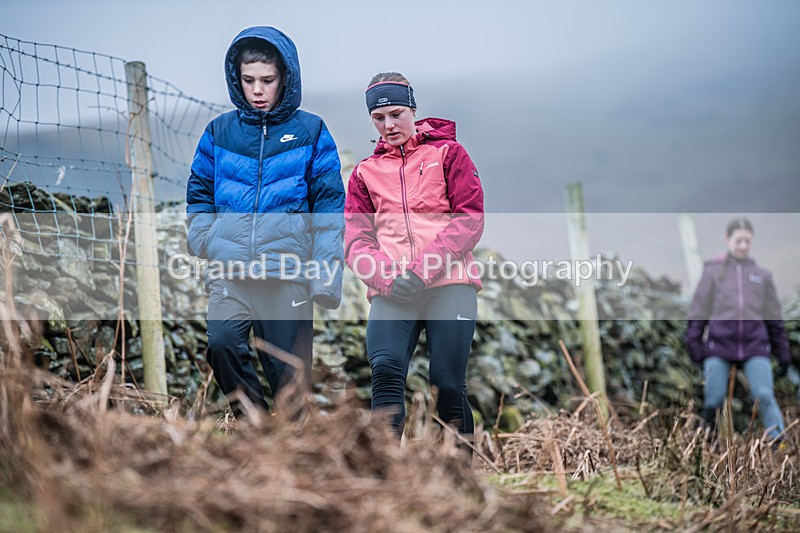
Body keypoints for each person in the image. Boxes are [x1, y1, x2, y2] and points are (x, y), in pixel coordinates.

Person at [186, 27, 345, 415]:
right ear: (236, 79)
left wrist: (324, 276)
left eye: (267, 81)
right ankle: (255, 427)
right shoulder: (218, 133)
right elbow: (199, 194)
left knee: (290, 381)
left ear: (285, 78)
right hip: (231, 272)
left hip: (287, 274)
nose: (258, 90)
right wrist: (205, 239)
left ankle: (293, 454)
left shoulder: (311, 131)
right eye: (249, 80)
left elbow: (328, 207)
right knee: (222, 344)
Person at [344, 72, 485, 442]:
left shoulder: (448, 154)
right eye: (379, 118)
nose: (389, 125)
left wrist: (422, 272)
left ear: (413, 109)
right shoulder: (364, 173)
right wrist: (388, 278)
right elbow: (356, 242)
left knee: (447, 384)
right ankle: (387, 481)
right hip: (393, 290)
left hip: (449, 284)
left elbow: (469, 220)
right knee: (386, 375)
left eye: (396, 114)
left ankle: (458, 483)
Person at [686, 217, 790, 445]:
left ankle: (780, 447)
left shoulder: (762, 276)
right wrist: (694, 345)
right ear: (727, 239)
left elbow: (774, 318)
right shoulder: (713, 273)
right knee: (713, 400)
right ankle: (707, 449)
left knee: (764, 395)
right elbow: (698, 311)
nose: (743, 246)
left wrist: (783, 353)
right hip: (719, 348)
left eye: (747, 241)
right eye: (738, 240)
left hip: (755, 347)